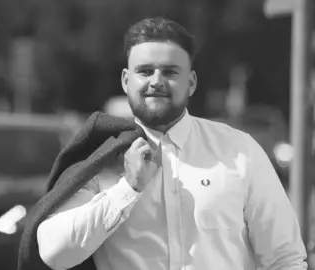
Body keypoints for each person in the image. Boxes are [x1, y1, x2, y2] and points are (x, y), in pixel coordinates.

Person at [18, 17, 307, 270]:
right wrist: (127, 190)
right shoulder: (101, 158)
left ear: (191, 83)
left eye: (170, 72)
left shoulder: (240, 151)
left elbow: (285, 259)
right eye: (145, 71)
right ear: (125, 81)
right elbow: (54, 254)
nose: (157, 81)